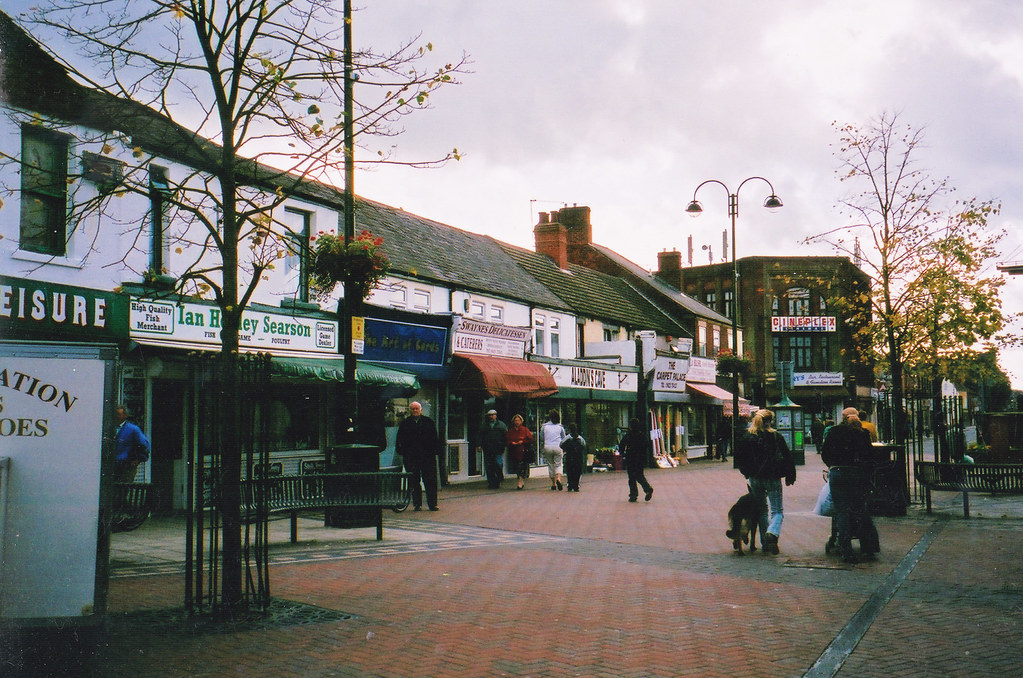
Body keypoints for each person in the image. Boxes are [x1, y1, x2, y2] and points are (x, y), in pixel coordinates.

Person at [821, 407, 878, 563]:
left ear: (843, 418)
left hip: (838, 473)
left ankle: (845, 550)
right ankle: (867, 548)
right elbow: (870, 456)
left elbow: (825, 452)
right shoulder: (863, 434)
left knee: (842, 512)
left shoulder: (834, 432)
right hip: (857, 475)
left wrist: (832, 465)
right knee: (860, 511)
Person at [735, 409, 796, 555]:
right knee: (777, 510)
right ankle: (772, 533)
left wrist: (746, 472)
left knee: (762, 510)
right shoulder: (776, 436)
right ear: (771, 421)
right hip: (773, 477)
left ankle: (765, 543)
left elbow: (740, 458)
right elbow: (787, 456)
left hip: (755, 478)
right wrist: (790, 475)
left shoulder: (748, 437)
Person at [396, 401, 441, 511]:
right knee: (414, 481)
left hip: (427, 457)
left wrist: (435, 451)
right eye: (413, 409)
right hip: (411, 457)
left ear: (421, 410)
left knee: (430, 480)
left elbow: (435, 438)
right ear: (410, 410)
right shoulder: (405, 423)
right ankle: (417, 504)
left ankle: (432, 504)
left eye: (417, 408)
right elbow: (399, 439)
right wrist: (402, 451)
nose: (415, 411)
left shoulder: (428, 422)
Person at [619, 417, 653, 502]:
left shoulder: (629, 435)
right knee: (639, 475)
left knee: (631, 477)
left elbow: (622, 444)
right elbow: (647, 445)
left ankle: (633, 495)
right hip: (640, 458)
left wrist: (622, 453)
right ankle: (647, 489)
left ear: (630, 426)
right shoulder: (641, 435)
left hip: (630, 458)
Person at [114, 404, 150, 482]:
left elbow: (145, 445)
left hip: (127, 466)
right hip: (113, 466)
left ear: (125, 415)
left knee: (123, 489)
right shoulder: (110, 428)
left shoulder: (133, 430)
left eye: (119, 414)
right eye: (115, 414)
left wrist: (138, 459)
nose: (117, 417)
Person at [476, 409, 508, 490]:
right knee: (489, 466)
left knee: (498, 463)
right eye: (490, 415)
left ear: (496, 415)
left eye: (493, 415)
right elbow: (480, 436)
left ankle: (499, 477)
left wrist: (504, 444)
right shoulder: (484, 425)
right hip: (487, 448)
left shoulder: (501, 425)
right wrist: (479, 445)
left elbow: (506, 435)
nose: (491, 416)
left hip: (498, 448)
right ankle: (491, 482)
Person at [539, 409, 568, 490]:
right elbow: (564, 438)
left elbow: (542, 437)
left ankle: (553, 483)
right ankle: (558, 477)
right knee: (558, 464)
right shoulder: (560, 427)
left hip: (548, 446)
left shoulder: (544, 426)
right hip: (558, 446)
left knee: (551, 465)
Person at [505, 414, 534, 490]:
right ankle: (520, 480)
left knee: (521, 466)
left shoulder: (525, 430)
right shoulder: (511, 431)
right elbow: (507, 440)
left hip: (523, 451)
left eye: (518, 420)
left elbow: (530, 439)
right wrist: (512, 443)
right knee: (516, 467)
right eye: (515, 420)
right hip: (514, 451)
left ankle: (520, 481)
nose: (517, 422)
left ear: (521, 421)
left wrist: (522, 441)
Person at [560, 423, 586, 492]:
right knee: (577, 470)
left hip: (570, 456)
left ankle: (570, 485)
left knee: (570, 470)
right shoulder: (580, 438)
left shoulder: (568, 437)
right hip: (578, 457)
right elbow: (584, 445)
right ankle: (576, 485)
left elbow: (561, 444)